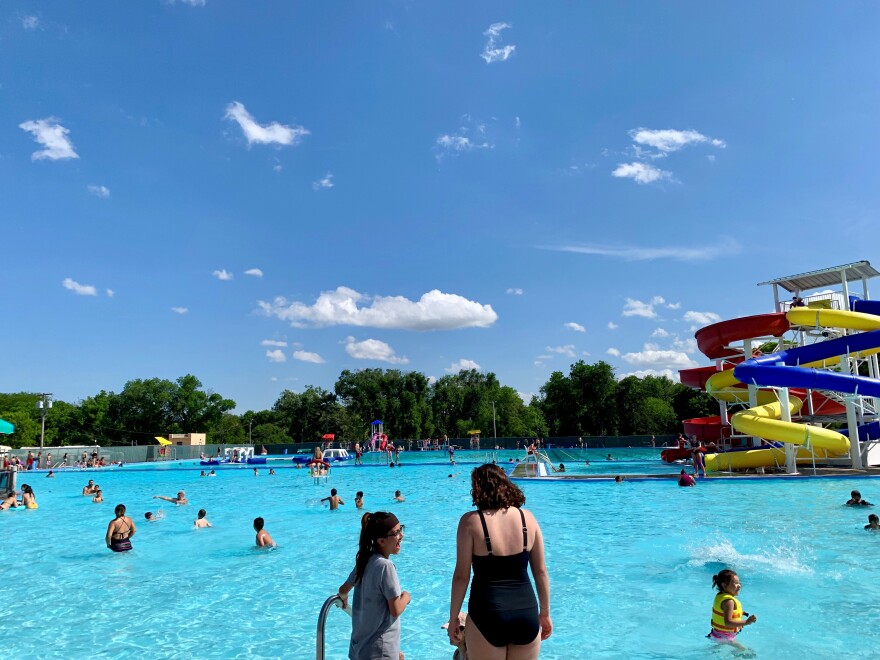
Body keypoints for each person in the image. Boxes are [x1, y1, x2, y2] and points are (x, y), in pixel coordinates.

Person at [449, 464, 552, 659]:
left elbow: (462, 576)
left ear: (478, 489)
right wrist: (545, 613)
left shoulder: (470, 522)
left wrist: (454, 618)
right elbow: (540, 572)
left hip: (487, 613)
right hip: (526, 613)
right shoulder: (528, 519)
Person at [337, 512, 410, 660]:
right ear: (381, 541)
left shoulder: (365, 561)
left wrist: (343, 599)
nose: (401, 535)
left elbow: (343, 590)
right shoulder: (385, 566)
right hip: (380, 651)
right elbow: (395, 609)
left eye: (401, 529)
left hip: (359, 649)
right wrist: (406, 597)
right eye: (396, 533)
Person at [708, 569, 756, 644]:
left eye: (739, 583)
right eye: (736, 583)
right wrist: (747, 622)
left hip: (716, 634)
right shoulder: (729, 601)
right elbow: (728, 623)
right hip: (725, 637)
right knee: (746, 653)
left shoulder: (721, 596)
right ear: (724, 585)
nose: (739, 585)